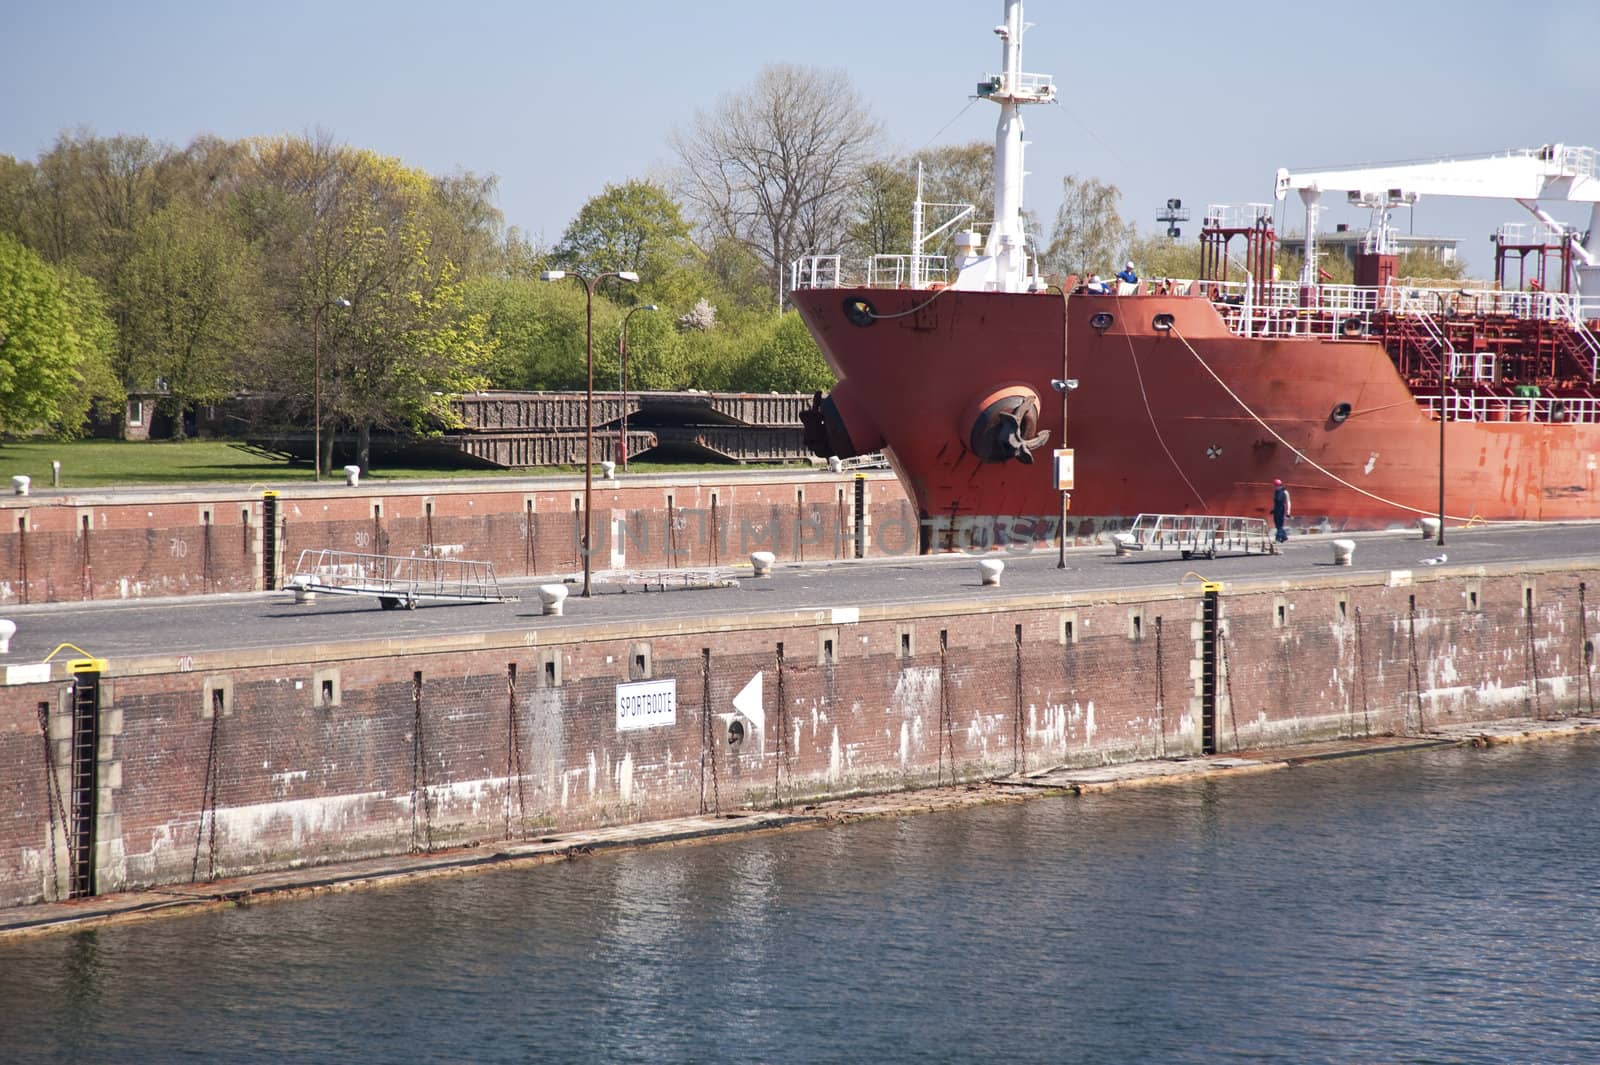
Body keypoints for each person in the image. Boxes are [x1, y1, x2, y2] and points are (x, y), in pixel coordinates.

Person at [1272, 478, 1290, 543]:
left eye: (1276, 485)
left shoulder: (1285, 492)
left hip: (1282, 510)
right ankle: (1284, 537)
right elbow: (1275, 502)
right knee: (1277, 525)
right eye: (1275, 486)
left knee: (1280, 525)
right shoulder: (1276, 492)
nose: (1276, 487)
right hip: (1276, 510)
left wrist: (1288, 511)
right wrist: (1273, 509)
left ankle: (1277, 538)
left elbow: (1288, 502)